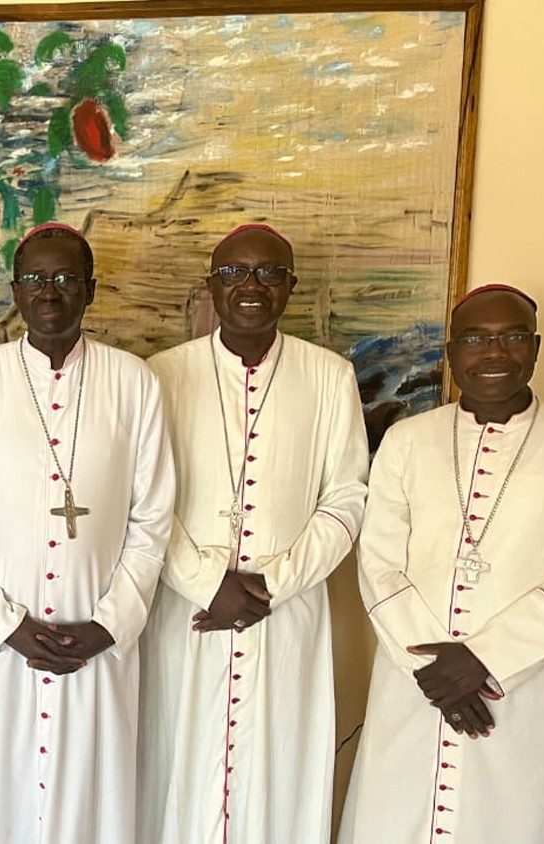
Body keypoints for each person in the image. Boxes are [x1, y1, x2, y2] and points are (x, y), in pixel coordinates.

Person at [340, 285, 544, 843]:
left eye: (511, 337)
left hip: (517, 682)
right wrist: (435, 669)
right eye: (476, 339)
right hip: (412, 678)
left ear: (535, 348)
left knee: (504, 819)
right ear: (451, 351)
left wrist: (484, 661)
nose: (494, 353)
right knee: (395, 817)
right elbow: (378, 559)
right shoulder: (407, 440)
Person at [0, 223, 175, 843]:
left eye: (66, 278)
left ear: (90, 290)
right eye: (35, 278)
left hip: (95, 648)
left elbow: (152, 522)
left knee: (92, 809)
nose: (50, 291)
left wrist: (108, 625)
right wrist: (4, 625)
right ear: (14, 290)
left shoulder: (134, 384)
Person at [136, 224, 369, 843]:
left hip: (285, 612)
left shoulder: (329, 376)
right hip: (187, 608)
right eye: (235, 272)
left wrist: (272, 584)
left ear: (289, 285)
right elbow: (145, 498)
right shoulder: (160, 374)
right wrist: (205, 581)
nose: (252, 286)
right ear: (212, 285)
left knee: (279, 770)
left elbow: (346, 497)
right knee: (174, 769)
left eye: (269, 273)